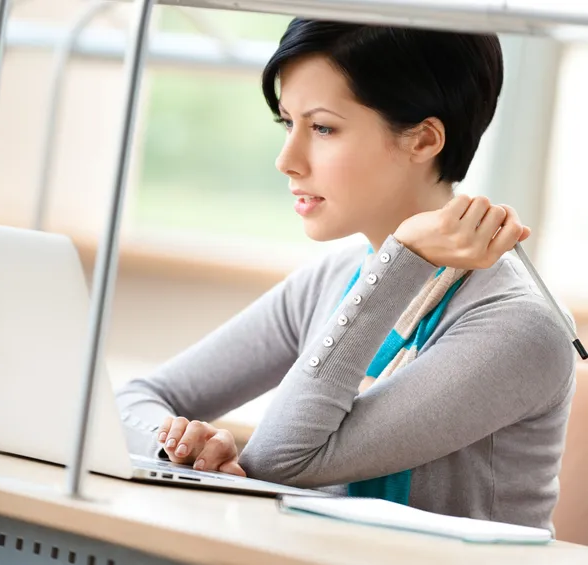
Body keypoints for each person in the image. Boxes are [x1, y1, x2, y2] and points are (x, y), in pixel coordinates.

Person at [116, 19, 575, 530]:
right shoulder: (331, 278)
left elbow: (281, 462)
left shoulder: (519, 327)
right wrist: (183, 447)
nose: (286, 160)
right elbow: (130, 400)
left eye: (323, 128)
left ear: (423, 139)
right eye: (287, 123)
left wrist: (403, 257)